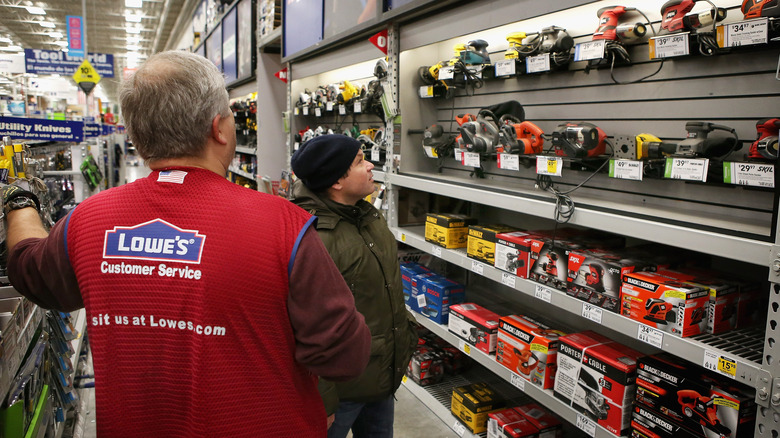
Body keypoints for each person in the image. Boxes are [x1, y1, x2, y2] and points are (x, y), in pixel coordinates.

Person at [4, 51, 371, 437]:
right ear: (219, 129)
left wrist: (20, 201)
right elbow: (345, 357)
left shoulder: (88, 221)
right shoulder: (284, 226)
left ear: (137, 135)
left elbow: (29, 268)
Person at [290, 135, 417, 438]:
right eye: (360, 161)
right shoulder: (315, 238)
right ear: (336, 181)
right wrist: (323, 398)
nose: (371, 165)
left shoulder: (367, 217)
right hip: (341, 392)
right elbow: (306, 329)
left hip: (381, 375)